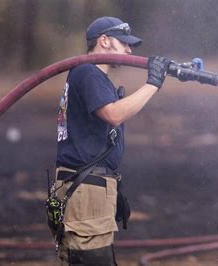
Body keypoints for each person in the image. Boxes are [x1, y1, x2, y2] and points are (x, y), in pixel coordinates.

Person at [53, 16, 170, 265]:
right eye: (124, 43)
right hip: (86, 190)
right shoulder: (88, 72)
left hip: (88, 188)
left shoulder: (90, 75)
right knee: (90, 259)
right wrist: (153, 84)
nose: (129, 50)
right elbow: (113, 115)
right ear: (104, 41)